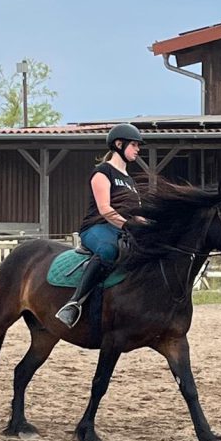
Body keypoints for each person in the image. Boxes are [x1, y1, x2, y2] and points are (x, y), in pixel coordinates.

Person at [55, 123, 144, 328]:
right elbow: (105, 209)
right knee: (107, 249)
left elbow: (136, 214)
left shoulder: (130, 181)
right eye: (134, 145)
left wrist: (147, 226)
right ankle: (74, 303)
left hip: (121, 228)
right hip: (97, 227)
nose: (138, 149)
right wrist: (130, 226)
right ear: (119, 144)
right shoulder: (102, 172)